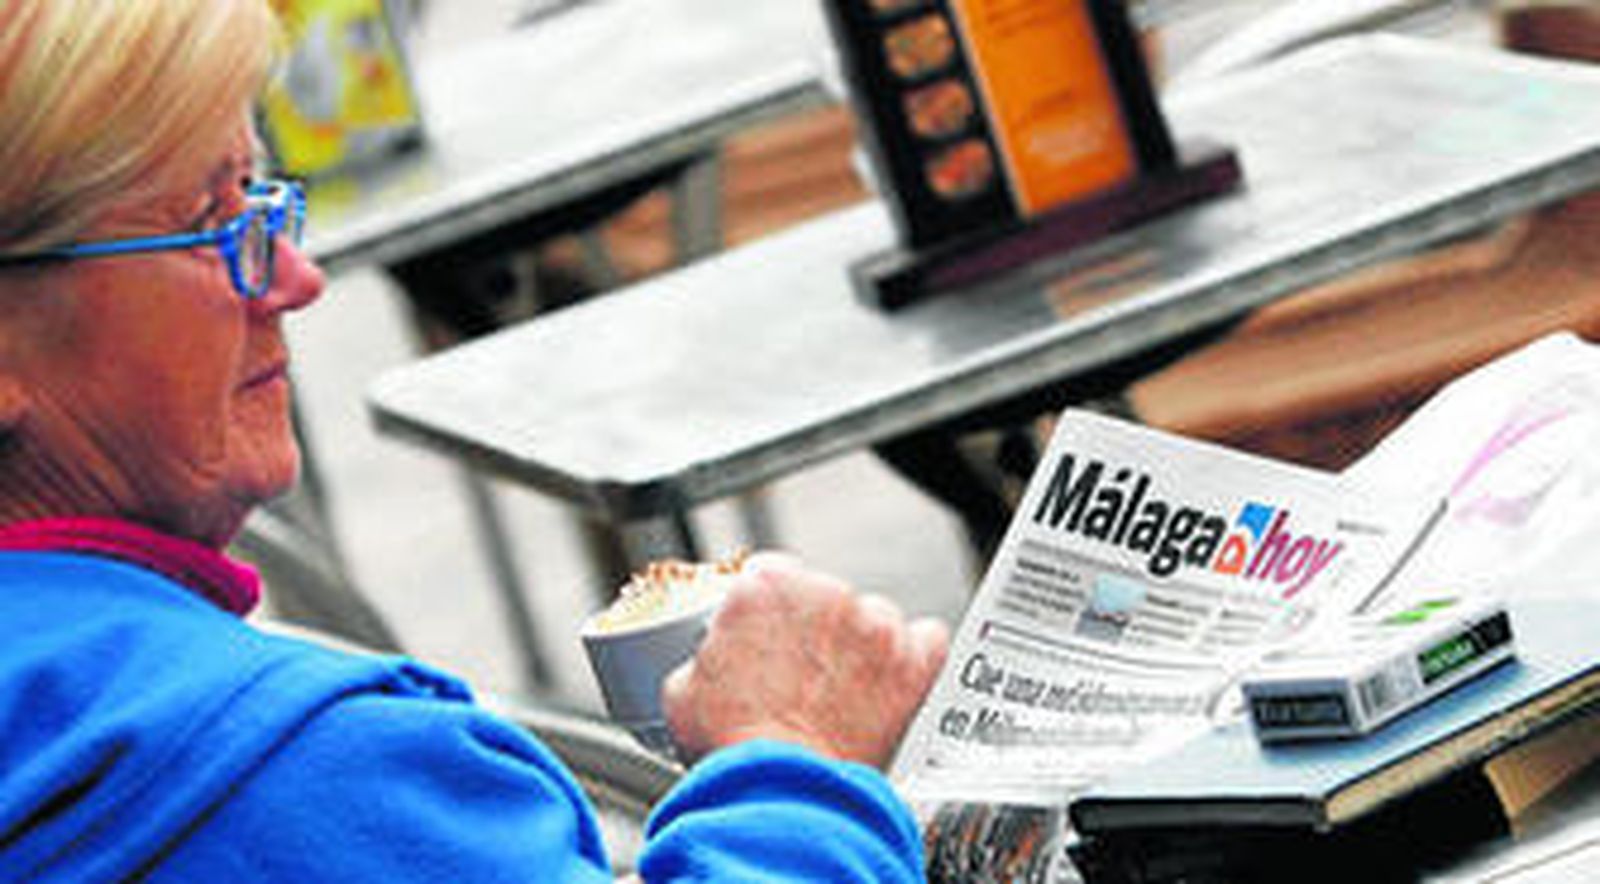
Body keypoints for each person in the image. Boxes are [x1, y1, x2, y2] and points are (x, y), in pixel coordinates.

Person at [0, 2, 949, 880]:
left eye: (260, 196)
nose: (294, 277)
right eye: (210, 227)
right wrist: (793, 766)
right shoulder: (286, 777)